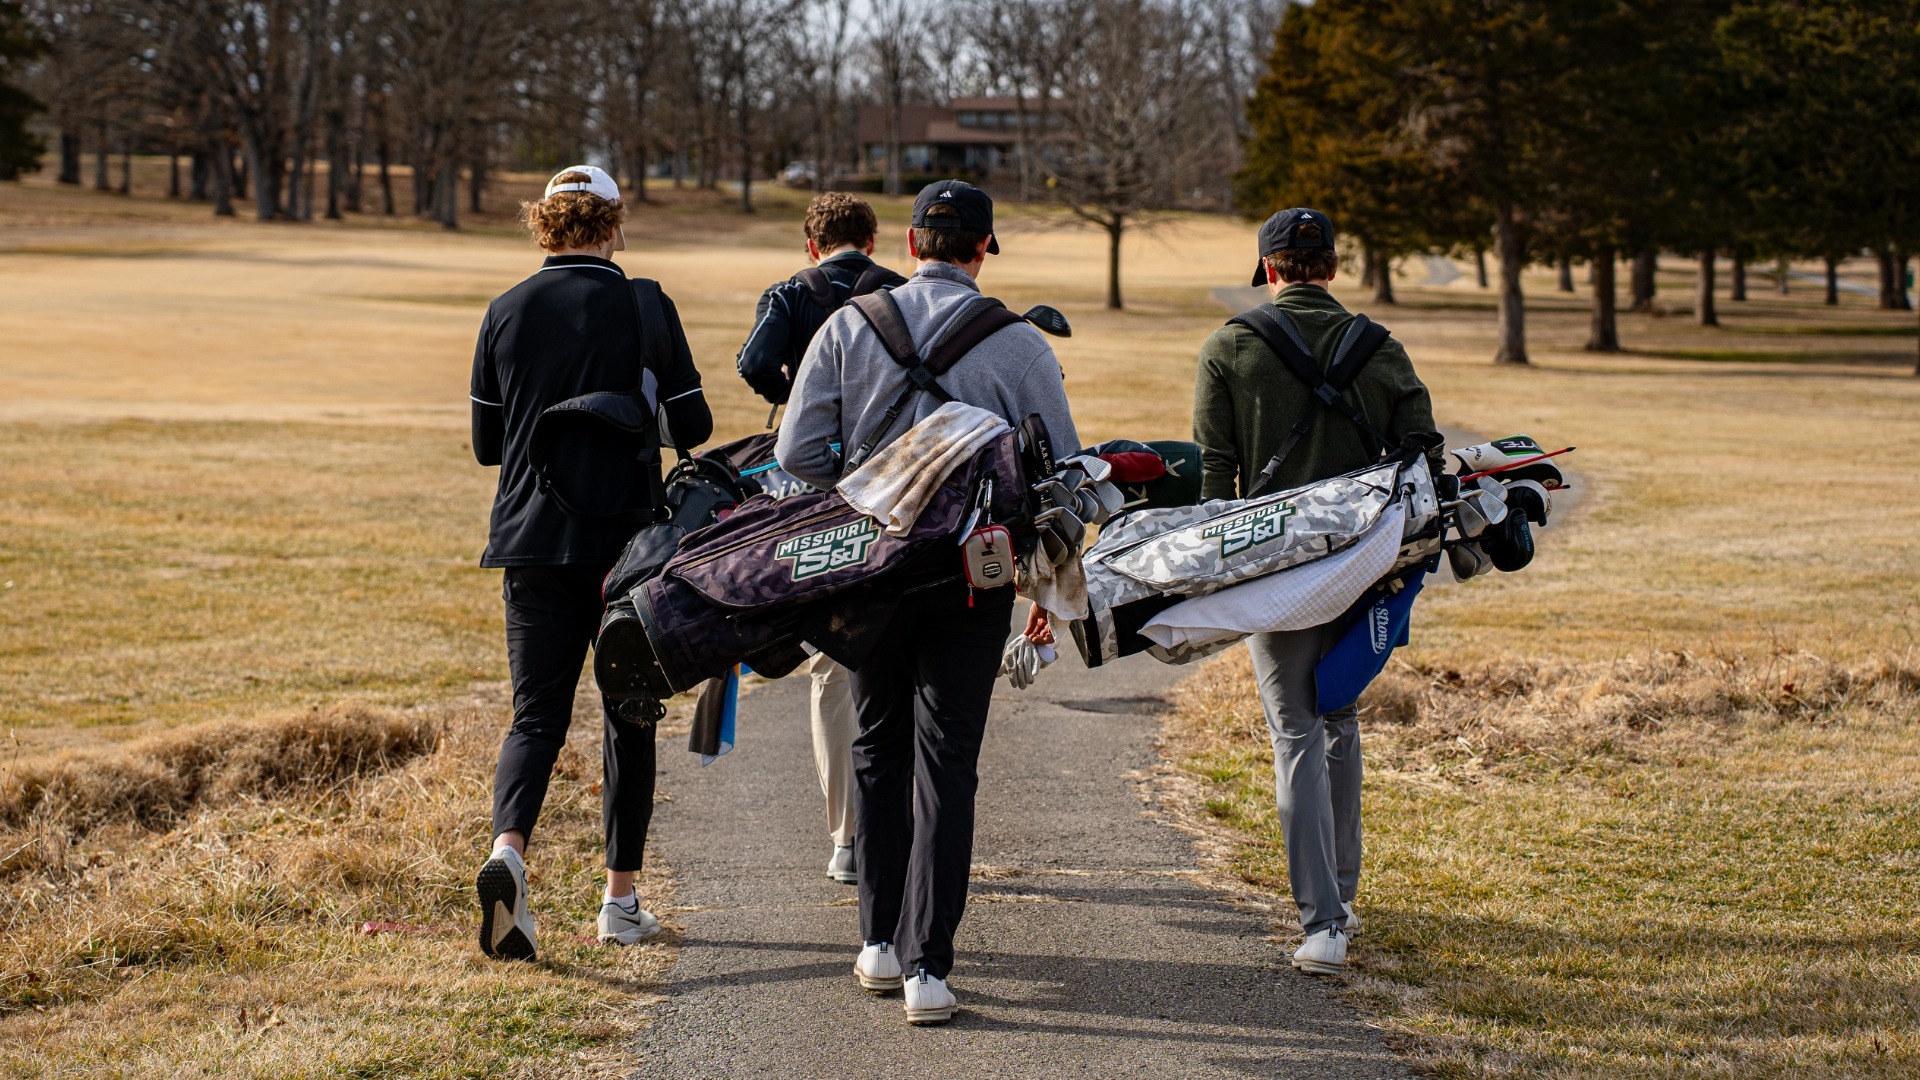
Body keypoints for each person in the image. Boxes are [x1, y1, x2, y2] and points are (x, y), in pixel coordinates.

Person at [775, 180, 1078, 1025]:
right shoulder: (1019, 346)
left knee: (877, 742)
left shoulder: (847, 326)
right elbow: (1064, 474)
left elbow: (799, 453)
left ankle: (874, 940)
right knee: (949, 759)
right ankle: (928, 968)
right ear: (984, 248)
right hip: (971, 574)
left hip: (869, 566)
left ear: (909, 243)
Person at [469, 165, 713, 962]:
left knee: (536, 716)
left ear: (544, 225)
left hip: (531, 541)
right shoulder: (646, 303)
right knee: (627, 717)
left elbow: (486, 447)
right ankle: (620, 900)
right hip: (628, 549)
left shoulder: (505, 310)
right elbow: (694, 423)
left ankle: (509, 853)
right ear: (614, 224)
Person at [1190, 208, 1438, 977]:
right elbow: (1424, 456)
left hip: (1278, 571)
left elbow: (1212, 477)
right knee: (1341, 717)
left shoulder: (1230, 346)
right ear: (1332, 268)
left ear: (1268, 269)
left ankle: (1322, 923)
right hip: (1366, 567)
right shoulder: (1381, 347)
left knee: (1295, 730)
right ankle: (1343, 898)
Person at [735, 193, 906, 887]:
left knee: (830, 661)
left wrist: (794, 389)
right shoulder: (898, 293)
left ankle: (845, 835)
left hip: (810, 480)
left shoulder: (789, 294)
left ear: (812, 246)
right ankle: (897, 820)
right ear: (872, 238)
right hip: (891, 474)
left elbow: (752, 366)